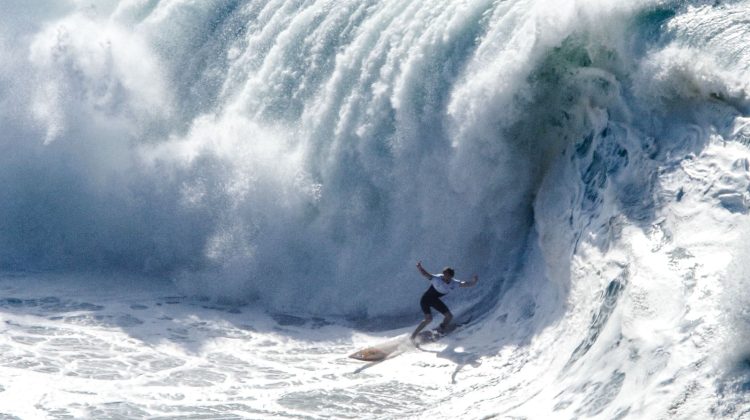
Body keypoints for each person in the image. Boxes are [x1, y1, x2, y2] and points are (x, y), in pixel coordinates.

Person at [411, 261, 478, 342]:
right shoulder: (437, 278)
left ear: (450, 276)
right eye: (444, 274)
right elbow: (426, 274)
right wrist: (420, 268)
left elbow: (465, 284)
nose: (444, 276)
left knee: (449, 316)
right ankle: (413, 336)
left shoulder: (453, 283)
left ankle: (441, 329)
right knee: (428, 319)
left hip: (434, 300)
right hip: (425, 299)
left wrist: (473, 282)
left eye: (446, 275)